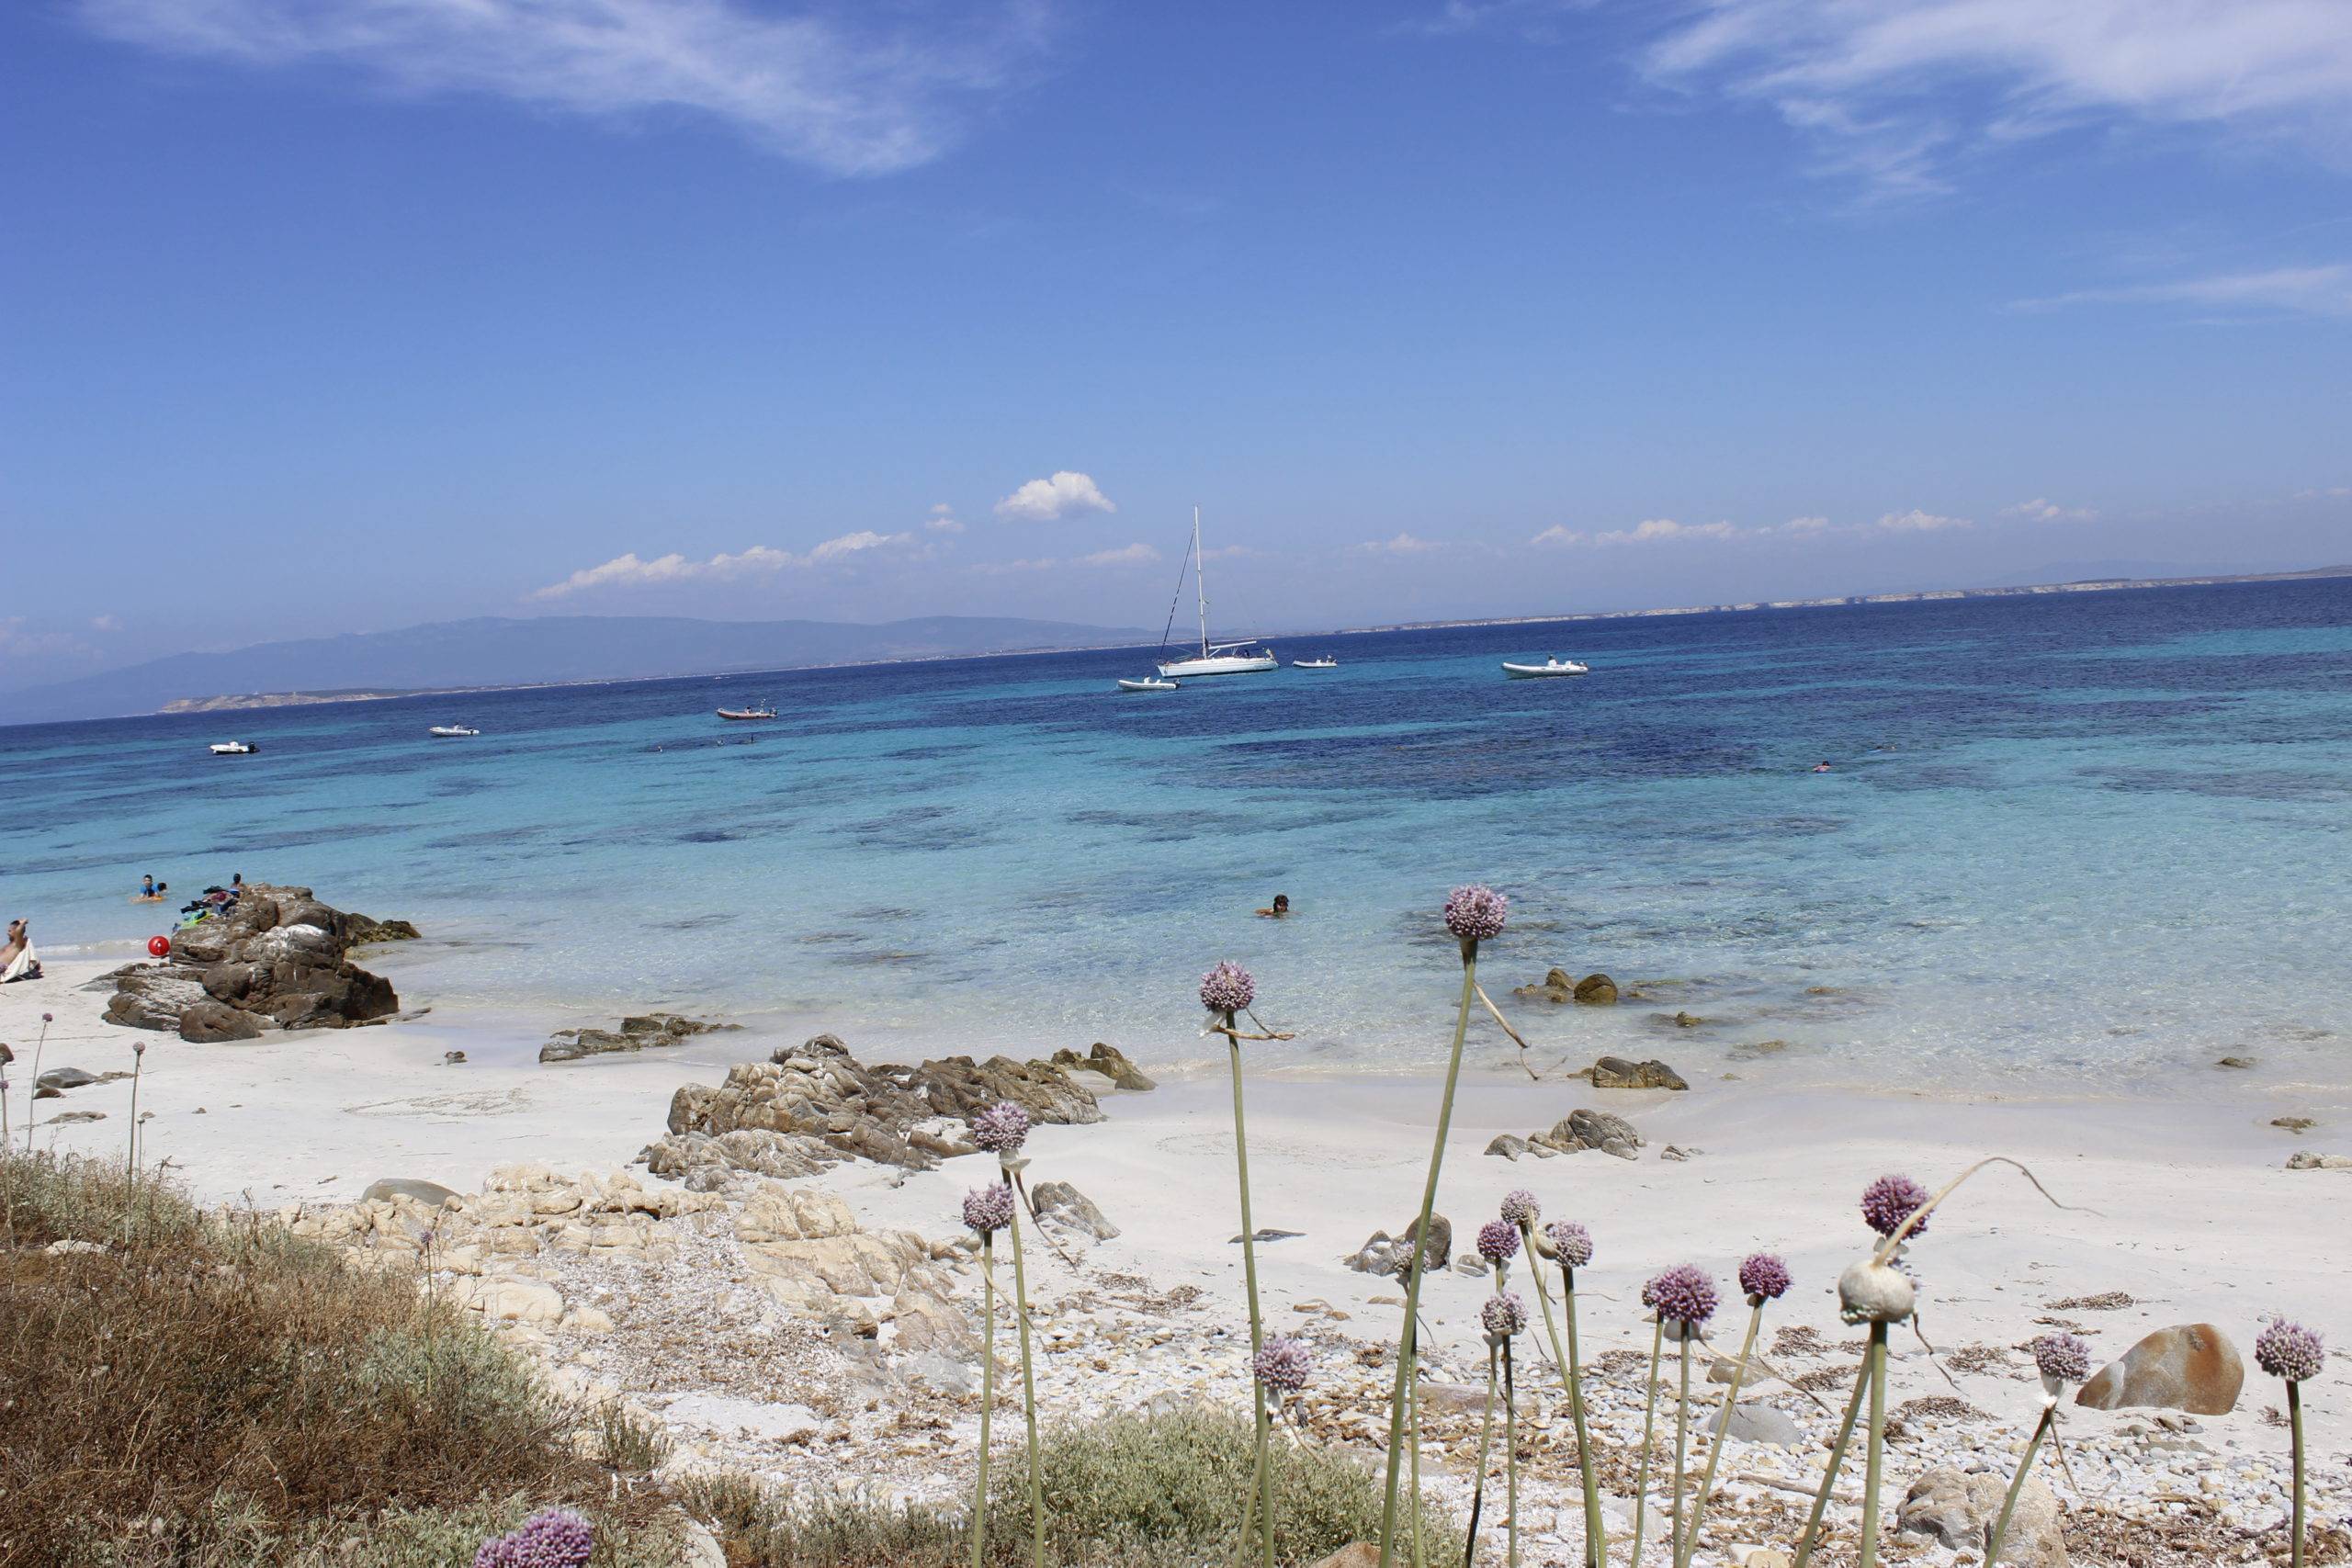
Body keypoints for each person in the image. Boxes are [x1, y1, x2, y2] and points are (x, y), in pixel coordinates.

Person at [1, 918, 40, 984]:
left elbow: (19, 931)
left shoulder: (17, 944)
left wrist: (23, 923)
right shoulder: (10, 944)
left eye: (10, 931)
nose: (7, 933)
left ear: (16, 932)